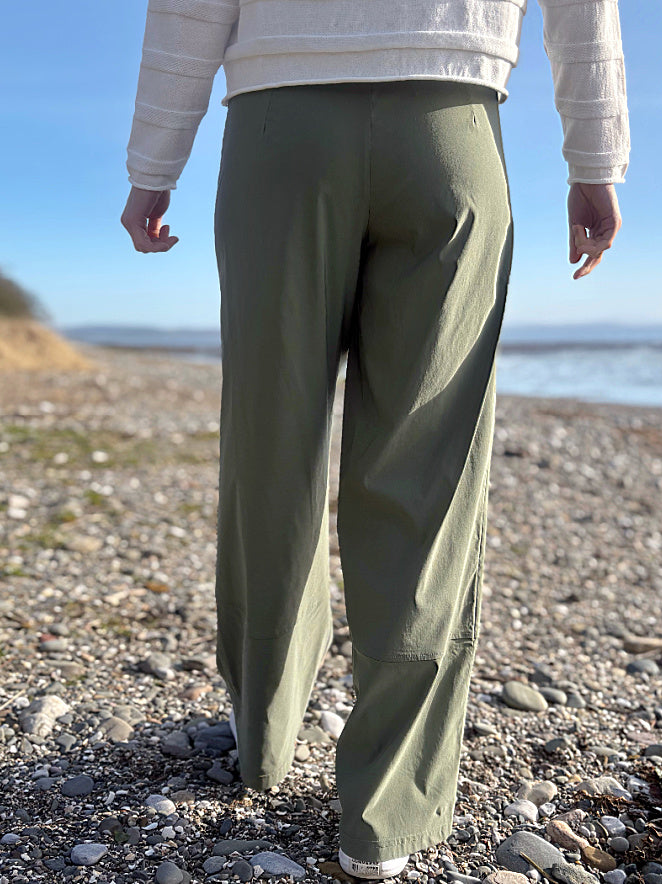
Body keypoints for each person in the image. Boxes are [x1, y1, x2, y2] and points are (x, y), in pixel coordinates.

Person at [121, 1, 629, 878]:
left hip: (282, 133)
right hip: (452, 130)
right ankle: (386, 815)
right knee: (426, 470)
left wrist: (152, 164)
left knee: (269, 448)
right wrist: (595, 159)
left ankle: (265, 735)